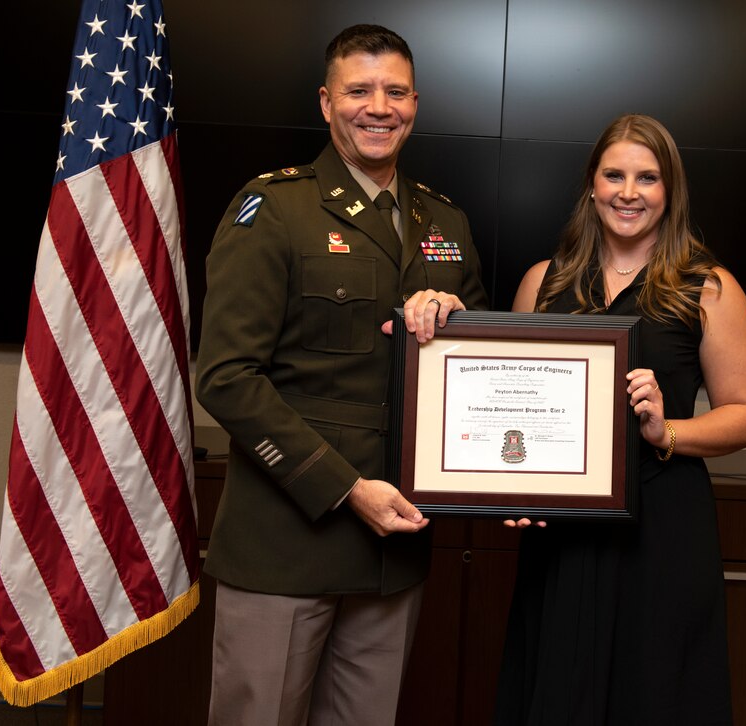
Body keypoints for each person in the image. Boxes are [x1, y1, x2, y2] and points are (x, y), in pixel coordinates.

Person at [195, 24, 488, 726]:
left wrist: (458, 317)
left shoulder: (444, 220)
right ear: (327, 103)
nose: (377, 107)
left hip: (395, 551)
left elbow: (475, 376)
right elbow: (227, 377)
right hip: (288, 544)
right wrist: (346, 488)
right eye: (359, 90)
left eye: (394, 91)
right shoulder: (275, 210)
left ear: (415, 102)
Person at [495, 114, 746, 725]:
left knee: (656, 689)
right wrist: (509, 486)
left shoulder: (709, 288)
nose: (628, 192)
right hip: (561, 528)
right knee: (556, 683)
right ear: (591, 185)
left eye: (647, 178)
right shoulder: (544, 282)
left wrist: (667, 431)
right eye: (614, 174)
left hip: (661, 521)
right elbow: (514, 406)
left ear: (669, 191)